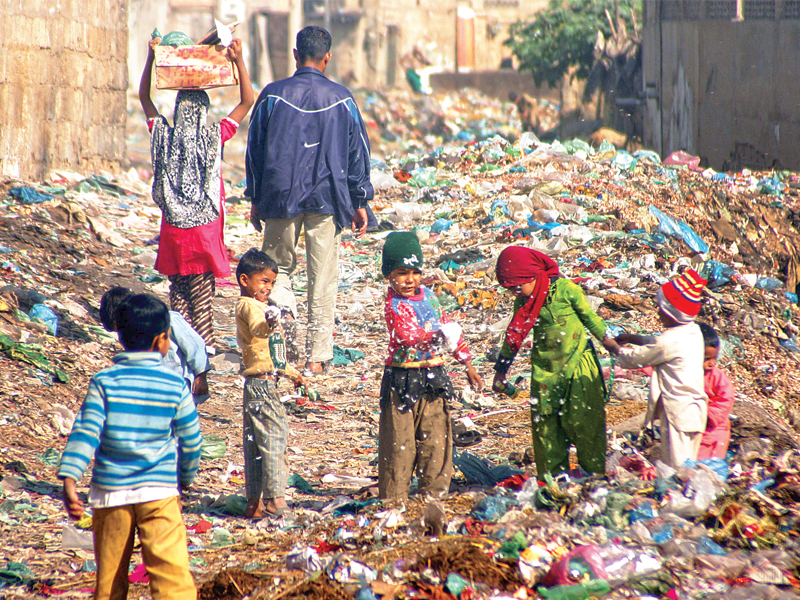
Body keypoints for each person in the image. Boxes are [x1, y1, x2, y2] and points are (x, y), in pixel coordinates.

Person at [246, 25, 373, 376]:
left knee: (274, 271)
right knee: (322, 278)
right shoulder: (343, 98)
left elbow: (254, 151)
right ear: (327, 58)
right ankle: (316, 357)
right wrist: (360, 198)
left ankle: (281, 330)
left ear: (296, 55)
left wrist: (255, 197)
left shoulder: (273, 95)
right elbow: (357, 153)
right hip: (329, 198)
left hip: (280, 197)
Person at [57, 294, 202, 600]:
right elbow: (191, 439)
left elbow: (86, 431)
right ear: (163, 340)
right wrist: (185, 478)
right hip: (159, 492)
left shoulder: (104, 382)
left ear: (120, 337)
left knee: (109, 580)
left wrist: (70, 478)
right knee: (172, 578)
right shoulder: (175, 385)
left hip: (110, 494)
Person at [139, 36, 254, 350]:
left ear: (177, 111)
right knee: (203, 298)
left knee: (178, 296)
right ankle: (202, 351)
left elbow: (144, 98)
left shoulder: (163, 134)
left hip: (174, 232)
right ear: (204, 113)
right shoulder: (214, 136)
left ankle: (177, 346)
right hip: (204, 231)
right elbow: (247, 101)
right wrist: (239, 59)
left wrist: (153, 59)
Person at [492, 246, 616, 480]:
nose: (515, 293)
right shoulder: (524, 302)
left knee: (585, 423)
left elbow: (590, 318)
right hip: (545, 373)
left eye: (517, 286)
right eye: (510, 289)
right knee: (546, 430)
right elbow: (514, 335)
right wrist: (500, 371)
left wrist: (611, 344)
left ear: (532, 276)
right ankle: (552, 484)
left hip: (577, 364)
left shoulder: (565, 290)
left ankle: (594, 479)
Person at [378, 232, 482, 499]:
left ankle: (433, 499)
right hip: (402, 379)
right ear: (389, 275)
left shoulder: (429, 297)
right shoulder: (394, 303)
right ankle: (394, 501)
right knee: (399, 445)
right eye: (402, 273)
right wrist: (436, 337)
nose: (410, 279)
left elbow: (449, 329)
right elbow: (405, 335)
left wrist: (467, 363)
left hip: (434, 378)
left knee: (436, 441)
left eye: (415, 272)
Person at [606, 269, 708, 468]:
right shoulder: (692, 331)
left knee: (678, 469)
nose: (658, 312)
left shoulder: (668, 341)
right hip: (694, 411)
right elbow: (659, 344)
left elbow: (638, 358)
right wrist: (633, 338)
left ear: (671, 312)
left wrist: (616, 349)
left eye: (661, 308)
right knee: (689, 463)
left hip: (678, 414)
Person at [235, 248, 306, 518]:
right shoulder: (250, 307)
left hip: (258, 384)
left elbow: (273, 356)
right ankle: (276, 500)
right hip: (262, 388)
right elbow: (257, 328)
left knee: (254, 443)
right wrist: (270, 320)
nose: (269, 287)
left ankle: (254, 503)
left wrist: (293, 374)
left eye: (272, 282)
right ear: (245, 280)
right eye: (263, 281)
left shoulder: (261, 308)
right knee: (276, 439)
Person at [100, 286, 211, 405]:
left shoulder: (169, 320)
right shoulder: (133, 330)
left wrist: (201, 374)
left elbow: (195, 345)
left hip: (179, 381)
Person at [697, 322, 735, 460]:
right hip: (695, 425)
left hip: (714, 428)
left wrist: (710, 416)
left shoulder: (717, 377)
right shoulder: (687, 373)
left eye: (714, 358)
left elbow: (726, 398)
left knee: (707, 464)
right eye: (706, 359)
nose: (712, 363)